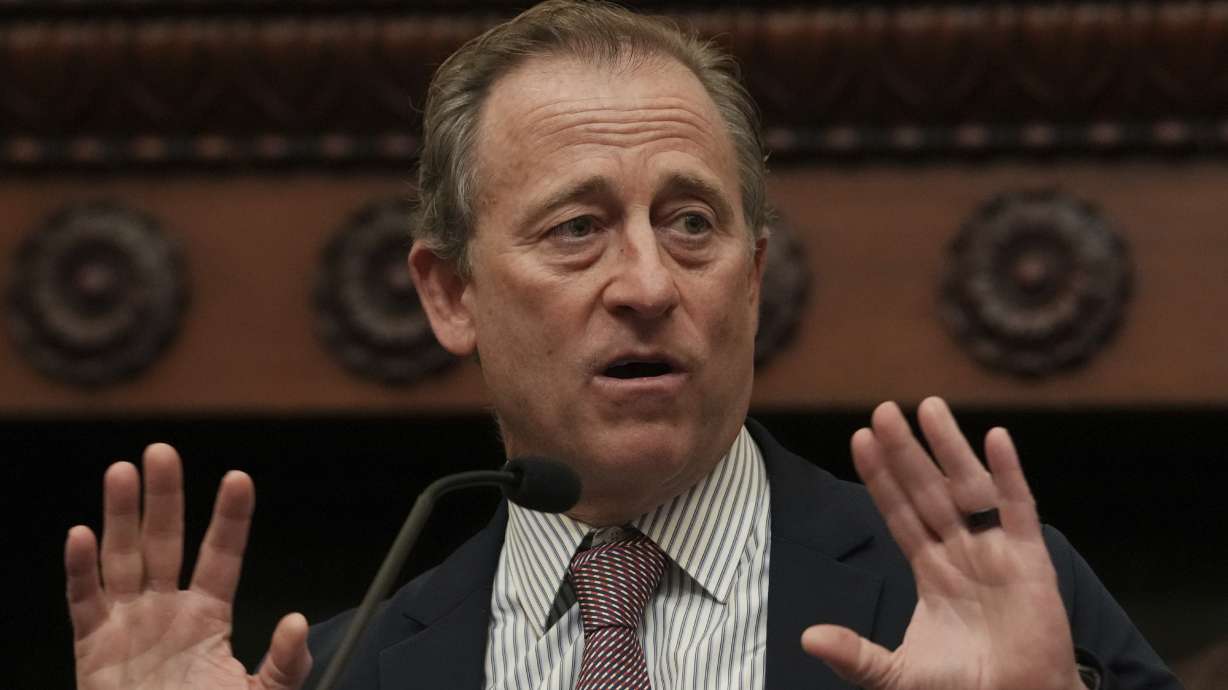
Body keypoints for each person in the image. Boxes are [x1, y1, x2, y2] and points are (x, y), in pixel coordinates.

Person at [63, 2, 1182, 689]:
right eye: (577, 228)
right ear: (448, 295)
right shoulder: (347, 670)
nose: (647, 284)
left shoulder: (993, 601)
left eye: (691, 224)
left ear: (749, 276)